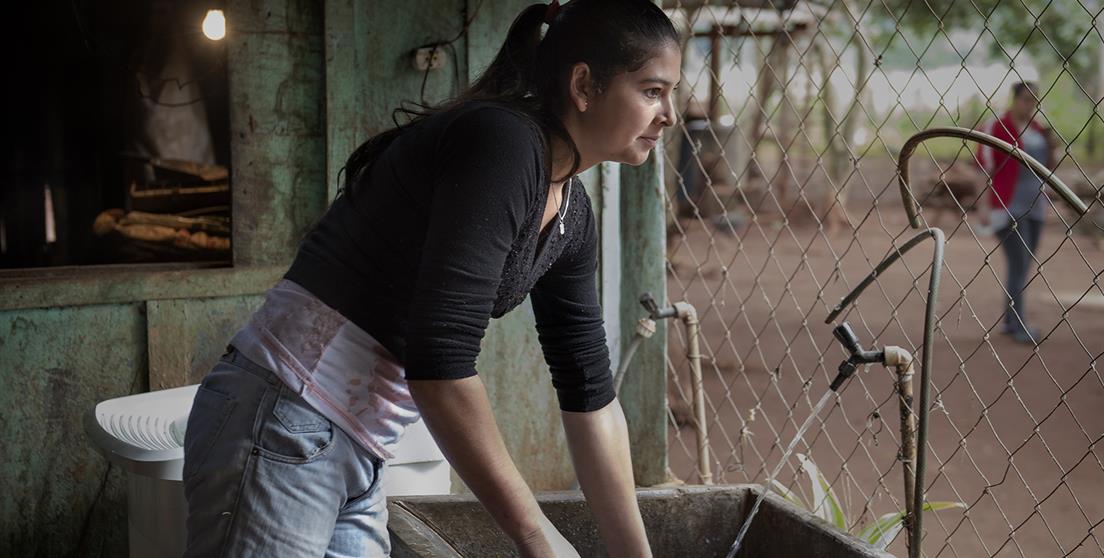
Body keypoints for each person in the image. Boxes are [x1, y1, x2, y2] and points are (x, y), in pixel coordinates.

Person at [180, 1, 681, 556]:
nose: (670, 115)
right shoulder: (506, 145)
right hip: (284, 415)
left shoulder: (570, 213)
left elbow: (589, 391)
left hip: (354, 443)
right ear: (584, 86)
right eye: (652, 91)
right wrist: (537, 537)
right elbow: (439, 363)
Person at [977, 81, 1056, 345]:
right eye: (1026, 99)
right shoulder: (997, 127)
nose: (1030, 105)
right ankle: (1018, 324)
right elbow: (982, 166)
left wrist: (1051, 143)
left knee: (1023, 264)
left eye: (1035, 100)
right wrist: (982, 205)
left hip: (1036, 205)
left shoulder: (1038, 129)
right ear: (1015, 99)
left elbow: (1048, 165)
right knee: (1019, 262)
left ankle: (1011, 320)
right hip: (1007, 205)